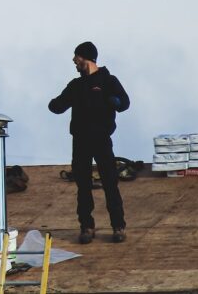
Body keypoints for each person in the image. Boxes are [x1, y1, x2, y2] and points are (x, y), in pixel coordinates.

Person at [48, 41, 130, 244]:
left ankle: (118, 227)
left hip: (102, 140)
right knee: (83, 185)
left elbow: (125, 103)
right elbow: (57, 106)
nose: (74, 61)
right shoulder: (76, 86)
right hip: (80, 141)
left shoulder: (108, 80)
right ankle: (87, 227)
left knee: (110, 183)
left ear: (86, 57)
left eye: (76, 57)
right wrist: (55, 104)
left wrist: (115, 102)